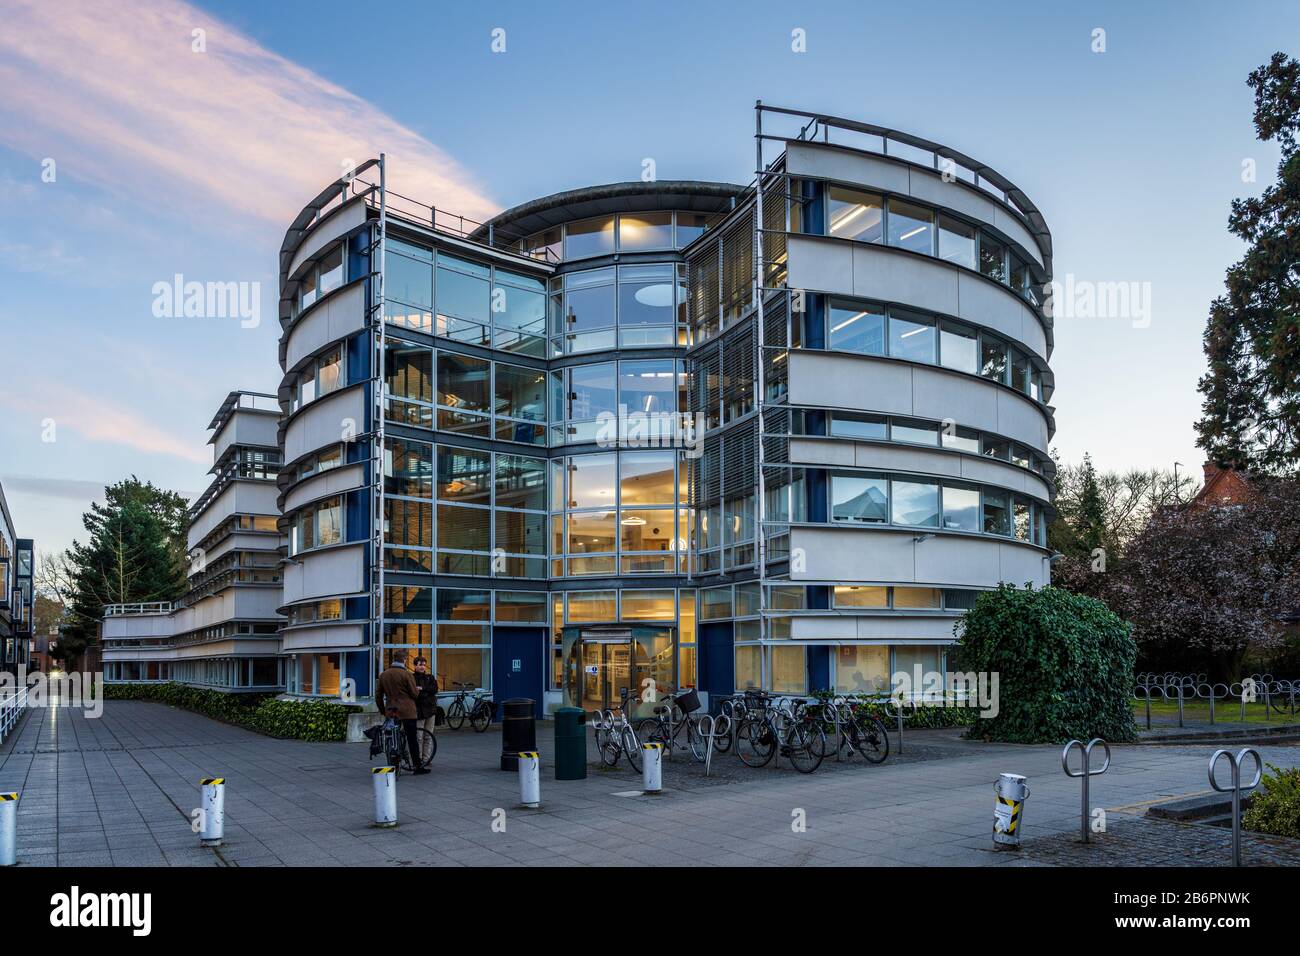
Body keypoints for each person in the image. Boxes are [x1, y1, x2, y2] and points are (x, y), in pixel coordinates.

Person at [375, 652, 429, 775]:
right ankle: (417, 766)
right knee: (412, 739)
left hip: (391, 711)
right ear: (404, 660)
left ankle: (393, 755)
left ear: (393, 660)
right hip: (407, 712)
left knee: (392, 733)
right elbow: (414, 694)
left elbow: (378, 696)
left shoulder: (384, 675)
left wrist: (383, 710)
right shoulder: (407, 675)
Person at [412, 656, 438, 765]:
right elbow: (414, 693)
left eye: (424, 664)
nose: (422, 667)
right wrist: (426, 692)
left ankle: (426, 759)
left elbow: (434, 689)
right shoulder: (411, 678)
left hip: (430, 711)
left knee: (428, 736)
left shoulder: (430, 677)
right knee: (418, 737)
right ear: (415, 666)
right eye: (420, 664)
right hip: (418, 711)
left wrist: (422, 689)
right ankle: (417, 760)